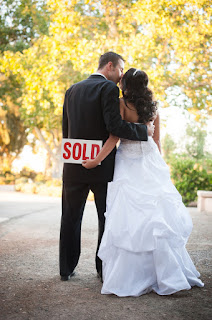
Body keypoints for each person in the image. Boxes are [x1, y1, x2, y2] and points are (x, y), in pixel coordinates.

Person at [82, 68, 204, 296]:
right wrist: (161, 169)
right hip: (150, 159)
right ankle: (164, 273)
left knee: (129, 217)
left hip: (128, 162)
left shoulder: (121, 104)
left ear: (125, 84)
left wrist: (96, 160)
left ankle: (132, 276)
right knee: (156, 218)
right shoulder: (153, 105)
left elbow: (115, 135)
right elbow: (157, 141)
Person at [60, 53, 155, 281]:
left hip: (73, 164)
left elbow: (66, 128)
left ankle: (66, 268)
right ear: (110, 66)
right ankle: (103, 269)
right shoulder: (109, 90)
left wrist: (71, 156)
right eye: (121, 69)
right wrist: (144, 131)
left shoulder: (72, 89)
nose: (122, 75)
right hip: (102, 166)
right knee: (106, 218)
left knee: (70, 218)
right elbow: (115, 126)